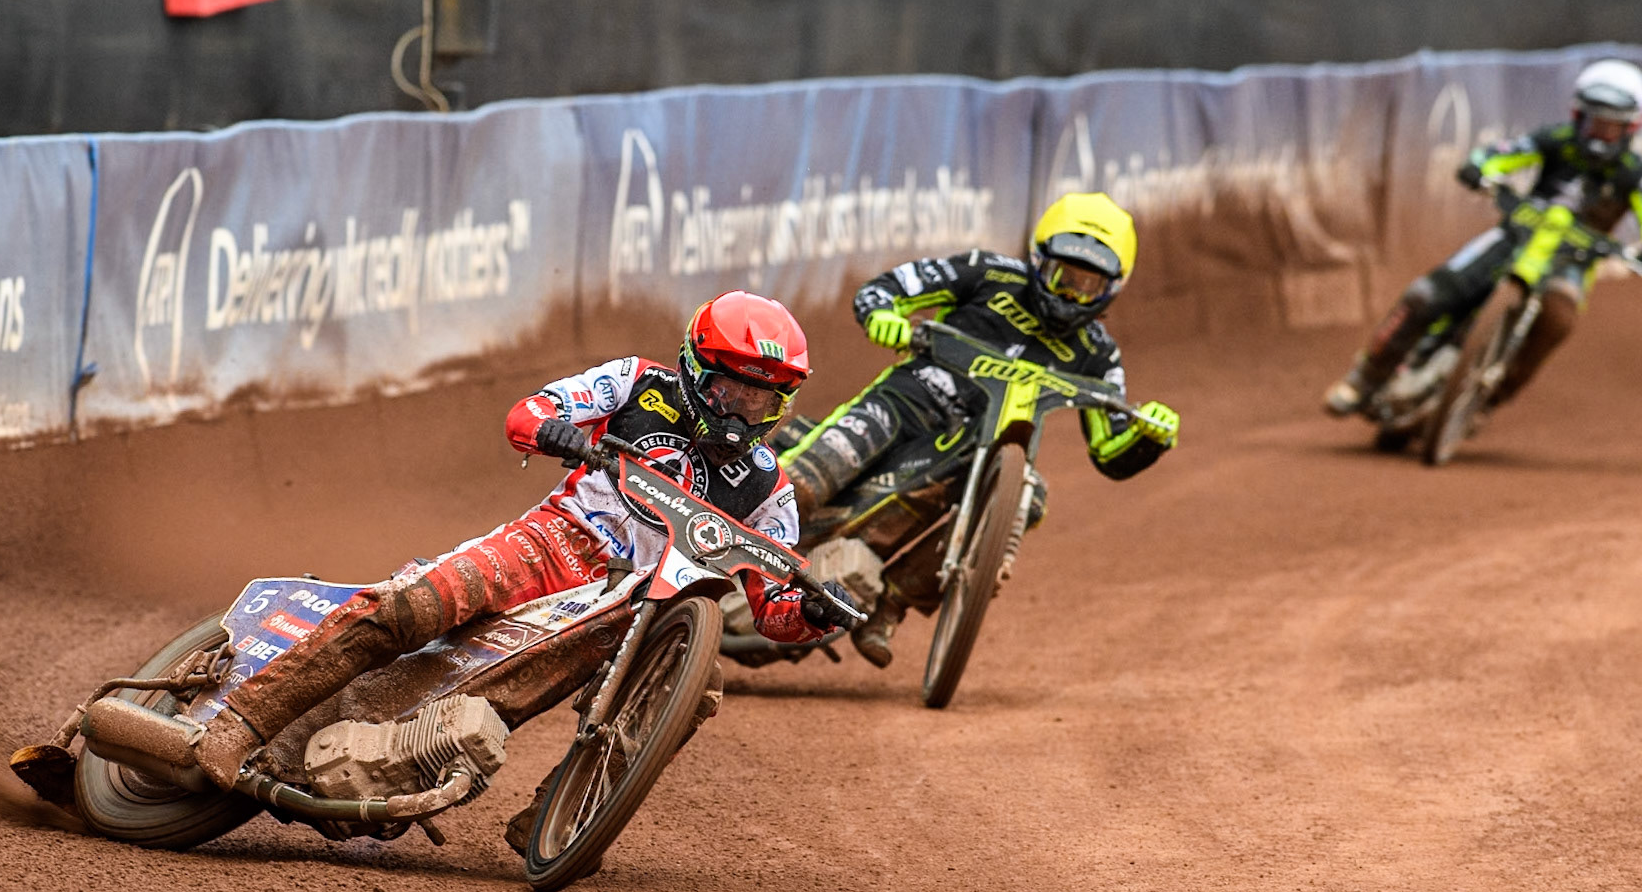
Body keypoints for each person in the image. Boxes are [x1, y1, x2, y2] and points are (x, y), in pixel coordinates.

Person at [188, 290, 848, 839]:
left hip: (621, 616)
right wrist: (553, 429)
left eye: (763, 398)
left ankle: (563, 819)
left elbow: (773, 611)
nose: (744, 410)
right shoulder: (636, 383)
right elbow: (531, 411)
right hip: (550, 545)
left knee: (690, 687)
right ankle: (242, 719)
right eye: (734, 389)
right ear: (698, 370)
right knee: (415, 607)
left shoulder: (770, 489)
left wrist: (811, 615)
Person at [779, 192, 1179, 668]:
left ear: (1113, 287)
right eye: (1062, 278)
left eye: (1087, 286)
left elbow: (1111, 453)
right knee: (797, 488)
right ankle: (717, 540)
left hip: (980, 456)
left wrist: (1149, 437)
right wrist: (884, 315)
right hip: (904, 405)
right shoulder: (988, 273)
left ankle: (891, 603)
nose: (1071, 295)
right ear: (1038, 260)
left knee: (1029, 497)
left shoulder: (1099, 354)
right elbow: (887, 288)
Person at [1324, 58, 1642, 418]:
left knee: (1558, 321)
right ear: (1576, 115)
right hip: (1513, 237)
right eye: (1592, 121)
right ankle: (1363, 379)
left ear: (1632, 126)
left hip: (1571, 264)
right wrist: (1479, 166)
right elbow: (1506, 153)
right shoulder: (1555, 140)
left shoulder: (1636, 175)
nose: (1599, 133)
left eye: (1610, 127)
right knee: (1424, 294)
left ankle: (1487, 401)